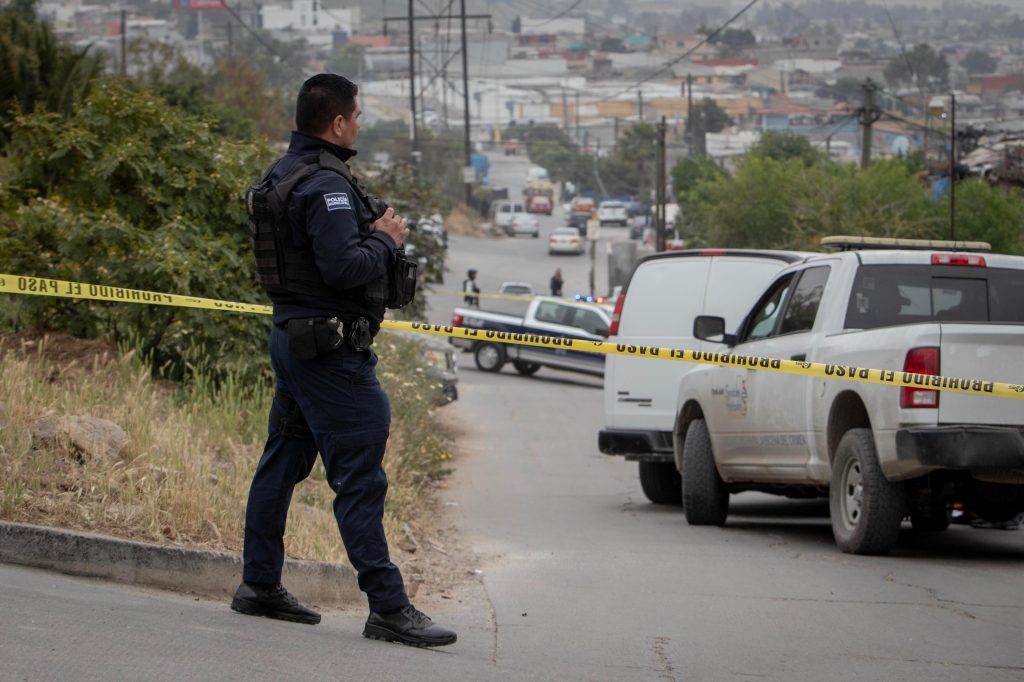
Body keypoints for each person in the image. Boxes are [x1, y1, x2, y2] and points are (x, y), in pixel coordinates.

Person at [232, 73, 456, 648]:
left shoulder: (283, 171)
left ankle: (258, 584)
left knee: (281, 464)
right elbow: (342, 267)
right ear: (337, 123)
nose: (358, 125)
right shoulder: (327, 186)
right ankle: (388, 608)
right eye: (356, 116)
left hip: (293, 340)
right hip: (331, 354)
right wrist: (385, 238)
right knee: (360, 480)